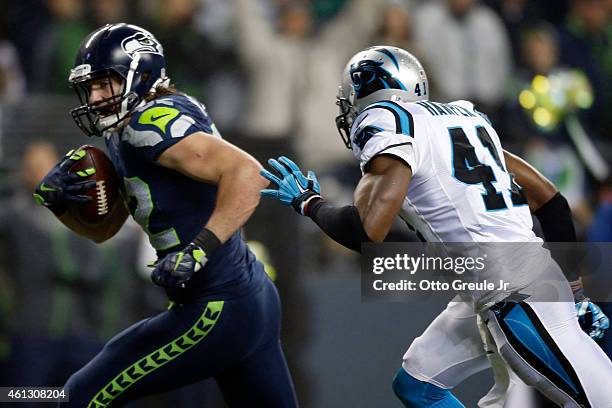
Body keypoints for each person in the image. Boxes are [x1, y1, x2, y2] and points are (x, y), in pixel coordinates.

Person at [260, 45, 612, 407]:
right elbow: (552, 203)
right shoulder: (463, 118)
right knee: (417, 383)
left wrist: (310, 203)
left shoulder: (384, 121)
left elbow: (368, 230)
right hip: (500, 284)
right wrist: (574, 291)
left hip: (517, 295)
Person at [33, 23, 297, 407]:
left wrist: (198, 249)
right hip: (244, 299)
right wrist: (61, 202)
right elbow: (104, 230)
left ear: (140, 75)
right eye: (90, 86)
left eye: (105, 83)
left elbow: (249, 174)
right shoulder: (130, 127)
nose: (94, 95)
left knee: (77, 397)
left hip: (216, 306)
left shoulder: (148, 125)